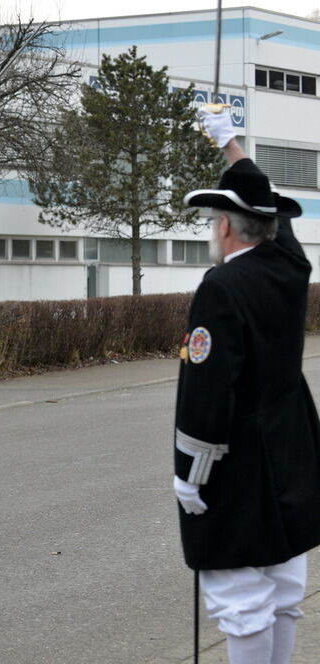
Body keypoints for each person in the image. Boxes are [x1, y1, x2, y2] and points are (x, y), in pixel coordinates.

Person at [175, 109, 320, 663]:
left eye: (216, 218)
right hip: (291, 448)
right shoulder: (290, 267)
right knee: (283, 589)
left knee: (240, 597)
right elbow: (274, 221)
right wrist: (230, 144)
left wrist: (191, 473)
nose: (214, 228)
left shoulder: (222, 285)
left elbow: (207, 391)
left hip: (237, 463)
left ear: (228, 226)